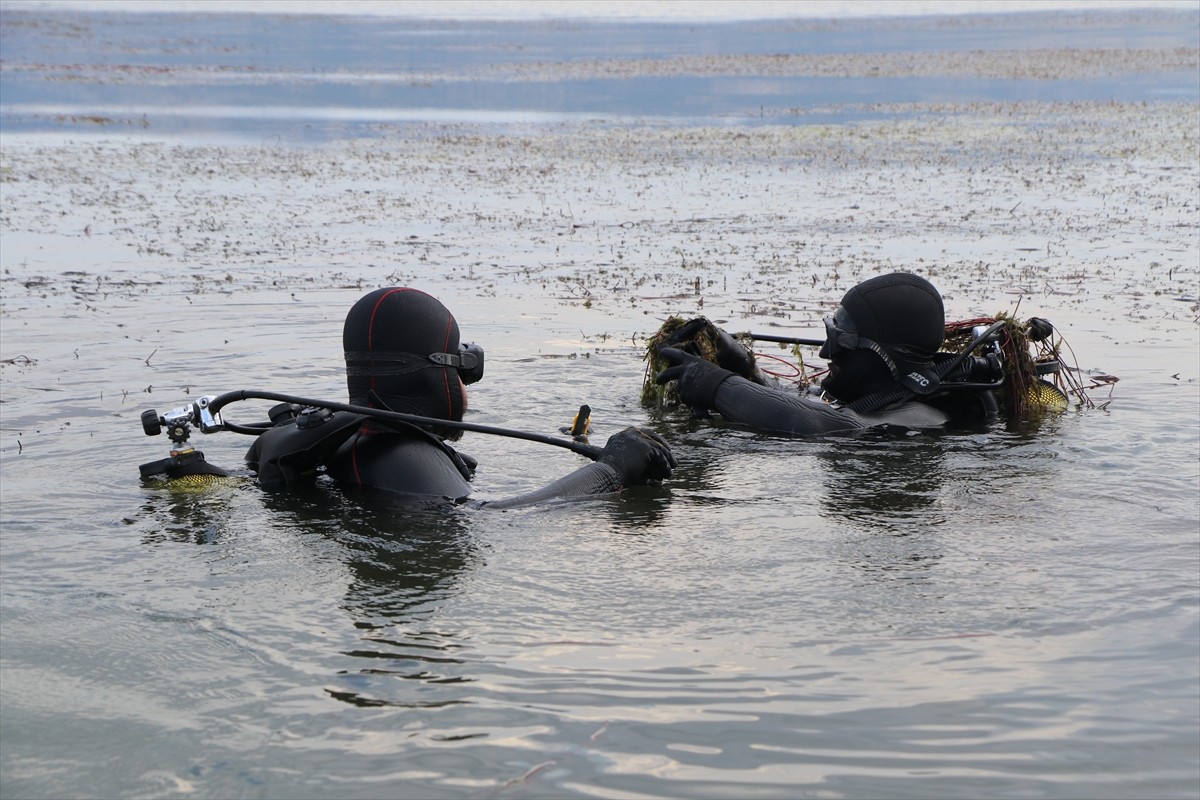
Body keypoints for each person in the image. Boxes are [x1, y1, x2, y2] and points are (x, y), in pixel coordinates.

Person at [245, 287, 675, 507]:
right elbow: (496, 517)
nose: (465, 385)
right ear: (437, 374)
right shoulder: (409, 456)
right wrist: (611, 470)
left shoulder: (336, 443)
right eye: (462, 370)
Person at [654, 272, 985, 435]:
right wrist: (740, 363)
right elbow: (795, 401)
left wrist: (718, 385)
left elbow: (823, 424)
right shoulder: (883, 395)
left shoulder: (924, 417)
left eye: (840, 342)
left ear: (881, 355)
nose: (827, 353)